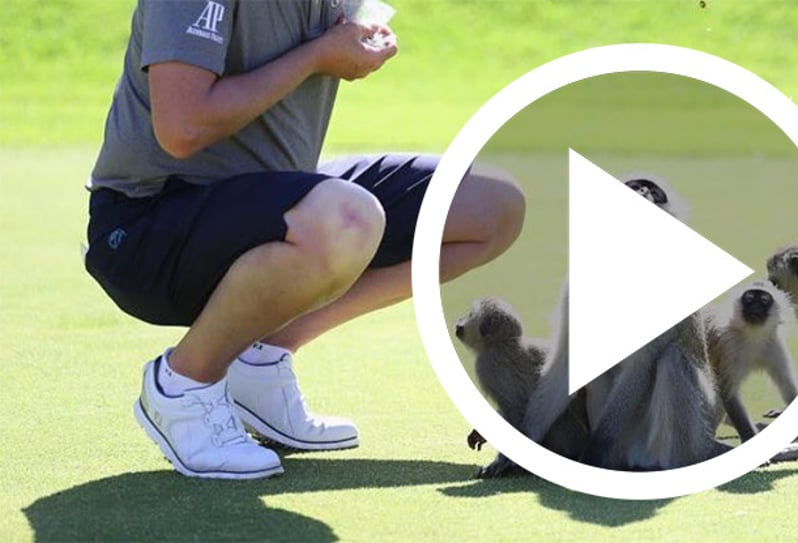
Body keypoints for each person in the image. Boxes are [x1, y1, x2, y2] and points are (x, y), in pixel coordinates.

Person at [83, 0, 525, 480]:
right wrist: (318, 56)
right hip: (148, 225)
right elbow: (182, 127)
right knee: (348, 220)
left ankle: (259, 355)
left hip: (274, 195)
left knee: (492, 208)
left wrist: (352, 45)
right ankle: (184, 384)